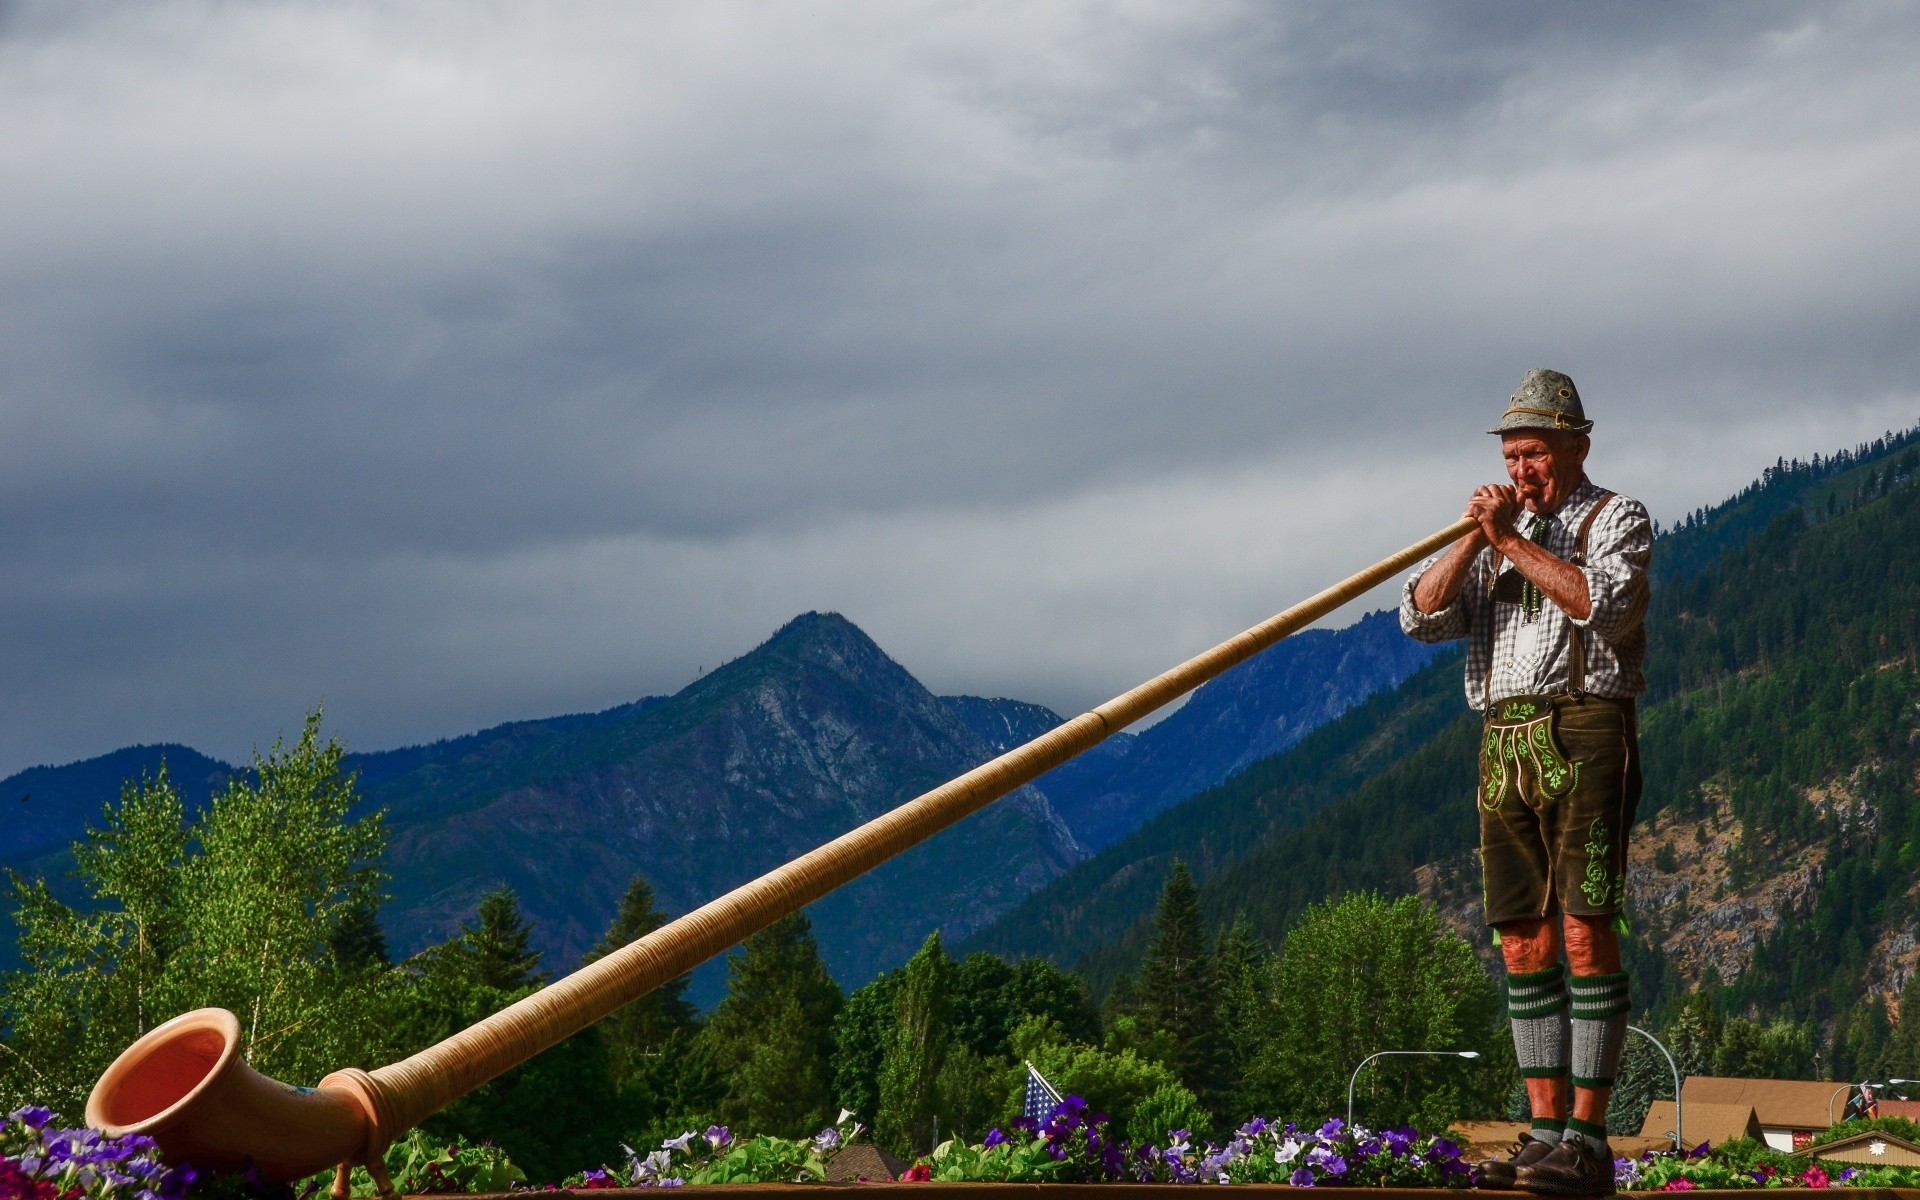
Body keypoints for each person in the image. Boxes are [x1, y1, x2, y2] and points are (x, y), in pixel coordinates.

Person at [1400, 369, 1652, 1196]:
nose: (1523, 470)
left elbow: (1605, 607)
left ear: (1578, 446)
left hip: (1586, 726)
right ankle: (1544, 1134)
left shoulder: (1617, 517)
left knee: (1584, 930)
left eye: (1537, 453)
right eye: (1513, 455)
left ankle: (1588, 1141)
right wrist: (1475, 538)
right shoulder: (1492, 531)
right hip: (1502, 736)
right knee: (1523, 940)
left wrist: (1510, 541)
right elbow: (1420, 616)